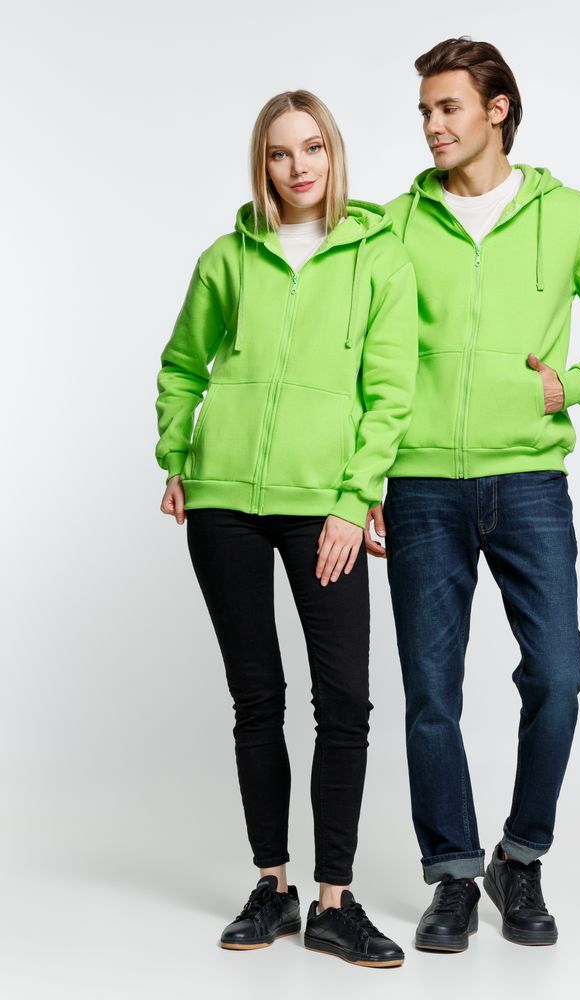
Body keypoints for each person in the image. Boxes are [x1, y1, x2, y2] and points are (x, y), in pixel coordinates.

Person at [364, 37, 580, 950]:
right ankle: (453, 875)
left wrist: (573, 384)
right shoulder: (393, 224)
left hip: (529, 477)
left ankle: (518, 859)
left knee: (558, 674)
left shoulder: (568, 215)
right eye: (424, 110)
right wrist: (361, 479)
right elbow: (359, 353)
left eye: (447, 107)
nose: (431, 125)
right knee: (430, 692)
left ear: (497, 110)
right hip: (418, 483)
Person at [154, 89, 417, 968]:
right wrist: (177, 454)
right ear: (261, 164)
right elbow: (183, 363)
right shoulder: (227, 258)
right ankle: (273, 886)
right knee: (256, 698)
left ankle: (335, 902)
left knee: (343, 700)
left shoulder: (380, 256)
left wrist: (353, 497)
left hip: (324, 505)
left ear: (333, 154)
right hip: (224, 500)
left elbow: (391, 393)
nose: (298, 166)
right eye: (279, 152)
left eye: (312, 148)